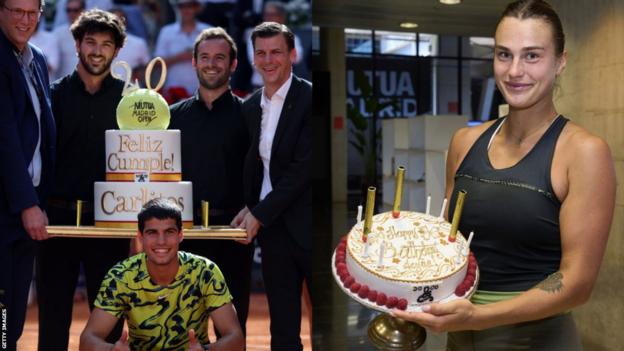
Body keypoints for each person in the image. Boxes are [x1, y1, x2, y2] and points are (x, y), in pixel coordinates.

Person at [393, 1, 616, 350]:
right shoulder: (464, 142)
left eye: (532, 56)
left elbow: (576, 283)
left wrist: (478, 317)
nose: (514, 71)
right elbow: (451, 249)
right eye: (504, 54)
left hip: (534, 340)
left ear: (560, 62)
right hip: (460, 337)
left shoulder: (584, 152)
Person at [36, 9, 129, 350]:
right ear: (77, 44)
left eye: (106, 44)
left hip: (109, 222)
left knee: (109, 315)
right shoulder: (51, 96)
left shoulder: (130, 100)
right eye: (90, 42)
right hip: (57, 220)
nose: (97, 51)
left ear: (117, 51)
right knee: (53, 314)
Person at [232, 22, 312, 351]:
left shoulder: (309, 98)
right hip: (274, 229)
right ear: (253, 58)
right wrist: (250, 206)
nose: (268, 60)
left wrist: (259, 213)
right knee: (282, 325)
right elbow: (255, 168)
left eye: (276, 52)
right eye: (261, 53)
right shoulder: (250, 106)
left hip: (308, 226)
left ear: (292, 55)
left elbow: (302, 169)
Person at [169, 27, 253, 337]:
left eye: (220, 58)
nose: (211, 63)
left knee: (233, 328)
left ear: (232, 65)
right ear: (193, 62)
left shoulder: (250, 115)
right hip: (185, 237)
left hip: (233, 235)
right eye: (204, 57)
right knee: (183, 327)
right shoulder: (172, 117)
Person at [79, 198, 245, 351]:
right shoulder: (121, 276)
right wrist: (110, 350)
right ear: (140, 236)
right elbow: (88, 339)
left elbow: (236, 338)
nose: (161, 241)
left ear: (180, 235)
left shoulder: (205, 271)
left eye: (169, 232)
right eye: (152, 232)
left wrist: (207, 350)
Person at [0, 0, 56, 348]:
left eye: (31, 12)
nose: (25, 20)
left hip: (25, 207)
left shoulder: (36, 58)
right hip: (8, 208)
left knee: (13, 313)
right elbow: (3, 138)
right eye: (16, 11)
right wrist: (26, 204)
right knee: (3, 315)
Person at [154, 0, 211, 95]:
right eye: (182, 6)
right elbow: (157, 63)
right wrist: (180, 57)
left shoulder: (209, 31)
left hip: (203, 91)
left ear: (197, 8)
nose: (186, 10)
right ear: (177, 8)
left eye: (190, 6)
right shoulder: (166, 31)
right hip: (174, 91)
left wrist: (197, 56)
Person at [245, 2, 304, 91]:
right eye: (266, 14)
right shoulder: (254, 36)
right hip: (259, 87)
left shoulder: (292, 37)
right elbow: (254, 61)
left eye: (272, 15)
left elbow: (297, 58)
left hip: (285, 88)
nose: (268, 18)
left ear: (282, 17)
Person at [50, 0, 84, 80]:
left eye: (75, 10)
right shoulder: (57, 33)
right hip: (64, 85)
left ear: (83, 11)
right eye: (68, 10)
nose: (71, 13)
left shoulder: (92, 33)